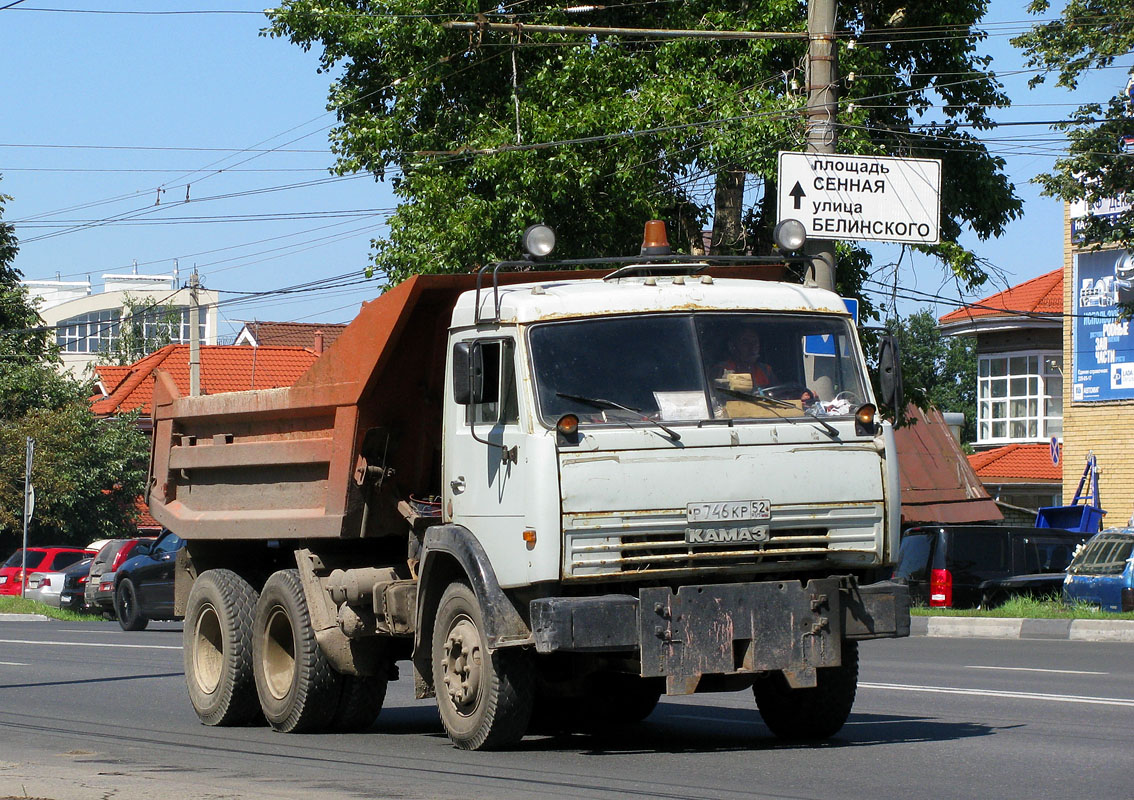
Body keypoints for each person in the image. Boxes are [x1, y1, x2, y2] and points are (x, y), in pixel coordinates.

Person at [716, 326, 777, 392]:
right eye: (745, 342)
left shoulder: (765, 370)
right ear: (732, 347)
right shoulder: (723, 369)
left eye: (755, 342)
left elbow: (780, 394)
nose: (752, 347)